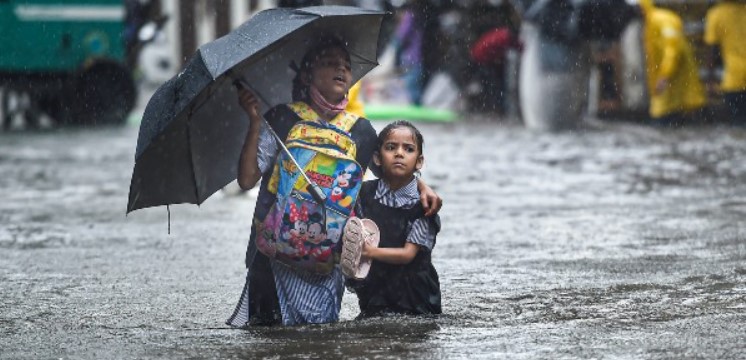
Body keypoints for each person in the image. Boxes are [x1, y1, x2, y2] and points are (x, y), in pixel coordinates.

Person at [226, 37, 442, 327]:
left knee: (320, 338)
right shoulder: (281, 119)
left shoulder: (361, 132)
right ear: (306, 74)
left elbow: (393, 173)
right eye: (329, 63)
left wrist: (422, 186)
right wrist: (255, 123)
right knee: (269, 339)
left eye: (346, 65)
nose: (340, 69)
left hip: (328, 264)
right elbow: (246, 179)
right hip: (272, 259)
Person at [347, 120, 441, 317]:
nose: (399, 153)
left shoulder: (423, 206)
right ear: (377, 158)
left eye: (408, 149)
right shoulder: (363, 194)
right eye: (391, 147)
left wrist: (368, 252)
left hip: (415, 297)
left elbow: (408, 254)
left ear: (419, 161)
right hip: (376, 292)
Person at [637, 0, 706, 127]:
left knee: (664, 119)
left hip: (673, 82)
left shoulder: (661, 20)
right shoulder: (650, 22)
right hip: (668, 85)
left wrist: (664, 76)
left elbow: (672, 50)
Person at [704, 0, 746, 126]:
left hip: (734, 79)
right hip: (736, 78)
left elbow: (712, 50)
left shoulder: (716, 15)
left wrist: (710, 80)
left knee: (738, 126)